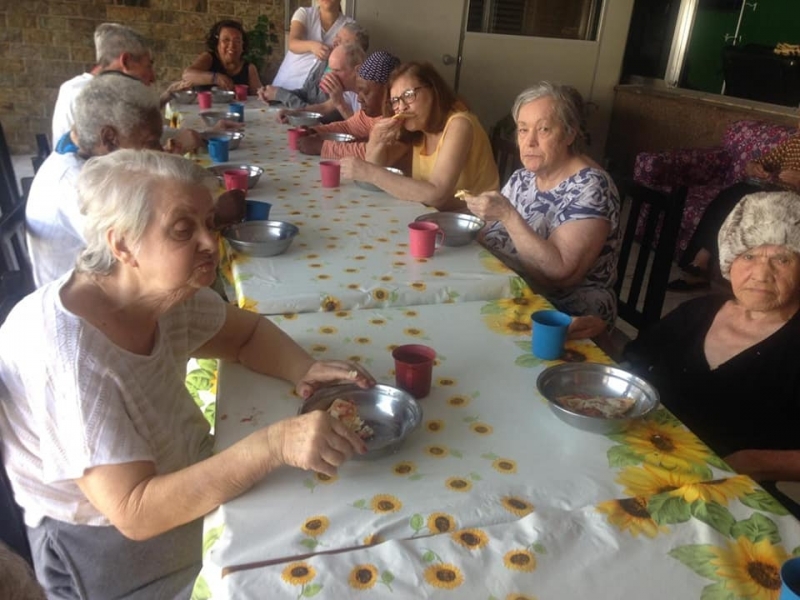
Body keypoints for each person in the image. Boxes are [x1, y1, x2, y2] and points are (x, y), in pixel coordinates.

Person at [0, 150, 375, 598]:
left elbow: (246, 335)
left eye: (210, 224)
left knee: (337, 534)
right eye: (183, 230)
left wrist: (304, 368)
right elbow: (134, 510)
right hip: (110, 548)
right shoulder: (68, 354)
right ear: (121, 245)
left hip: (176, 481)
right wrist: (274, 444)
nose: (210, 244)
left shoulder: (158, 289)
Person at [624, 191, 800, 513]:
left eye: (782, 259)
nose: (761, 274)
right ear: (729, 262)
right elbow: (631, 364)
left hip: (728, 498)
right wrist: (598, 333)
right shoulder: (698, 311)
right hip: (640, 463)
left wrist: (755, 462)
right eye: (748, 256)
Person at [460, 82, 620, 331]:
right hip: (509, 290)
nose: (530, 141)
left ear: (569, 134)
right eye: (522, 130)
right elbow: (486, 236)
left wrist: (508, 216)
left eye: (544, 129)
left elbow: (560, 273)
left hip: (562, 315)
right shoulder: (523, 178)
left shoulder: (591, 186)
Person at [28, 74, 165, 288]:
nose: (160, 151)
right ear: (110, 139)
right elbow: (141, 250)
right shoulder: (76, 184)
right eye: (151, 143)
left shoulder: (90, 154)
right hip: (84, 300)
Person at [339, 61, 499, 211]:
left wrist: (370, 172)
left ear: (433, 90)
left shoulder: (460, 124)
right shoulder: (417, 130)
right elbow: (373, 174)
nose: (401, 107)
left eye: (408, 95)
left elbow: (437, 195)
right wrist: (376, 140)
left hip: (475, 229)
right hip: (433, 218)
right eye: (395, 100)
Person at [668, 131, 800, 291]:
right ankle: (700, 261)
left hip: (792, 201)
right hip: (773, 192)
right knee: (730, 195)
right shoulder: (794, 143)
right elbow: (759, 162)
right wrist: (754, 167)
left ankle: (700, 264)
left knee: (742, 202)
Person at [52, 23, 155, 144]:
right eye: (148, 66)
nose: (152, 78)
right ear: (126, 61)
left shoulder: (72, 87)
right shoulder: (91, 95)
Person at [296, 50, 401, 162]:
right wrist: (315, 131)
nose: (359, 98)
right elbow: (349, 127)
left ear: (388, 92)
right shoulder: (374, 114)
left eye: (365, 92)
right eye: (359, 90)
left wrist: (321, 147)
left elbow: (371, 152)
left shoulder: (399, 121)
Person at [258, 22, 368, 108]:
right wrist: (273, 94)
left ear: (357, 53)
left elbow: (321, 115)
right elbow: (306, 93)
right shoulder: (326, 60)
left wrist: (281, 95)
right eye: (337, 36)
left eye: (343, 41)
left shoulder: (348, 80)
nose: (335, 42)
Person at [271, 0, 353, 90]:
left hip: (315, 93)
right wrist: (312, 46)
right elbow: (293, 43)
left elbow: (349, 60)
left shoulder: (349, 26)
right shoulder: (304, 13)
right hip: (286, 83)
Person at [280, 42, 365, 122]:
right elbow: (323, 108)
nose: (331, 75)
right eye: (330, 69)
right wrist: (293, 113)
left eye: (337, 70)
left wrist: (340, 103)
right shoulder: (348, 89)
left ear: (357, 70)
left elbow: (363, 128)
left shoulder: (370, 92)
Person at [182, 20, 263, 94]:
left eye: (237, 41)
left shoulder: (249, 68)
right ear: (217, 44)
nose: (232, 46)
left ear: (243, 46)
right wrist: (216, 78)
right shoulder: (209, 58)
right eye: (226, 40)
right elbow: (187, 75)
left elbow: (259, 96)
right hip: (204, 109)